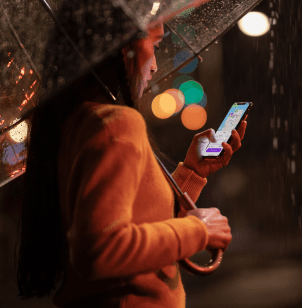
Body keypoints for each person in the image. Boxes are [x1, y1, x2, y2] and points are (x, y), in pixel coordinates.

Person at [15, 20, 248, 308]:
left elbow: (136, 219)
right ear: (122, 46)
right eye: (155, 45)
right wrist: (198, 230)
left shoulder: (77, 121)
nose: (154, 66)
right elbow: (100, 248)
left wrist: (192, 171)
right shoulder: (117, 124)